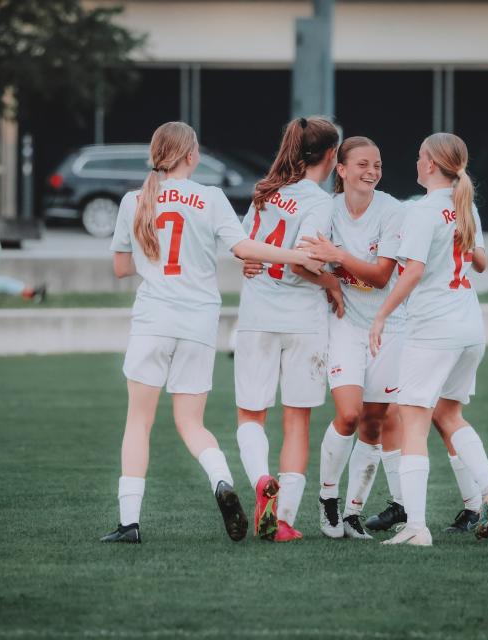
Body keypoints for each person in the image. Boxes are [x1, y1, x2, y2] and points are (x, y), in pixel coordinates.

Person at [101, 121, 324, 544]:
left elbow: (120, 267)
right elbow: (244, 249)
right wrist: (296, 255)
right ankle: (221, 481)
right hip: (198, 322)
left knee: (139, 423)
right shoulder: (211, 198)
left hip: (153, 320)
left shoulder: (134, 200)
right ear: (192, 156)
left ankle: (129, 523)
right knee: (191, 422)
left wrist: (153, 261)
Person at [367, 132, 488, 547]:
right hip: (469, 329)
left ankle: (416, 528)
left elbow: (410, 273)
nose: (415, 164)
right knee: (449, 416)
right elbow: (480, 263)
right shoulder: (465, 206)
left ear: (430, 164)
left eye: (418, 157)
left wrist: (381, 315)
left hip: (434, 331)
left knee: (412, 421)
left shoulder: (423, 210)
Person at [234, 116, 342, 543]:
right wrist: (333, 280)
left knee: (251, 414)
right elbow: (306, 261)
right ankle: (281, 521)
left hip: (257, 316)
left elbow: (246, 249)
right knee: (297, 421)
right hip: (303, 321)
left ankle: (262, 479)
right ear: (332, 155)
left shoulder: (266, 191)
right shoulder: (319, 202)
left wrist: (250, 262)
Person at [295, 136, 406, 540]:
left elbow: (380, 276)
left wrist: (337, 257)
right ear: (341, 170)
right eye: (362, 164)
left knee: (375, 422)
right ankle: (328, 501)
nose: (371, 171)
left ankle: (354, 514)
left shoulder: (393, 210)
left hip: (388, 326)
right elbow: (301, 260)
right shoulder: (326, 210)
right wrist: (328, 279)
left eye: (376, 164)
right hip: (344, 325)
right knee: (348, 414)